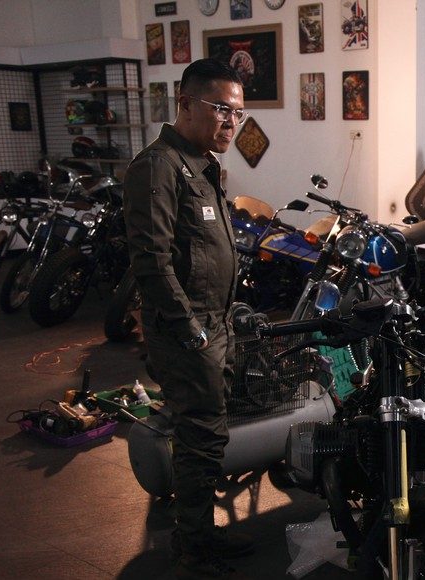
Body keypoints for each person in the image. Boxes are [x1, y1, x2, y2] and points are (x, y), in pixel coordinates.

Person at [124, 58, 252, 579]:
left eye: (238, 113)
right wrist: (191, 330)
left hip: (215, 323)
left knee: (210, 436)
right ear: (185, 104)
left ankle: (200, 534)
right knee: (199, 440)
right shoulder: (158, 167)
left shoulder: (203, 165)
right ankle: (193, 552)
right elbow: (151, 262)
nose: (231, 122)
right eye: (221, 108)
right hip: (188, 330)